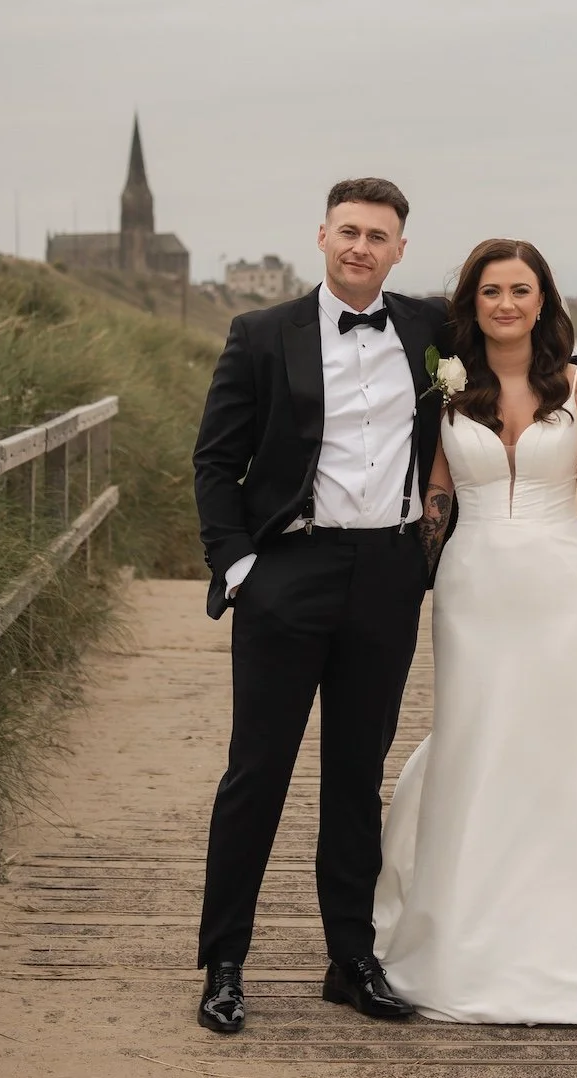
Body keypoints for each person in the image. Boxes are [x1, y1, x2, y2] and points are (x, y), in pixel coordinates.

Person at [373, 237, 577, 1025]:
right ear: (472, 303)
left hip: (559, 588)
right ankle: (462, 932)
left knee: (558, 742)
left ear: (543, 302)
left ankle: (572, 933)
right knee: (476, 737)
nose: (505, 303)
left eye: (520, 290)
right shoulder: (447, 383)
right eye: (491, 290)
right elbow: (436, 493)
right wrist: (403, 581)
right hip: (472, 588)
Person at [190, 177, 450, 1034]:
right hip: (289, 572)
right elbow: (215, 461)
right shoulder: (262, 333)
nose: (360, 246)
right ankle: (225, 962)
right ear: (322, 236)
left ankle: (351, 959)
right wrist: (240, 568)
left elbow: (521, 330)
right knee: (256, 771)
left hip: (387, 576)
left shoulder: (429, 330)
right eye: (349, 231)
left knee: (356, 775)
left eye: (378, 235)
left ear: (400, 250)